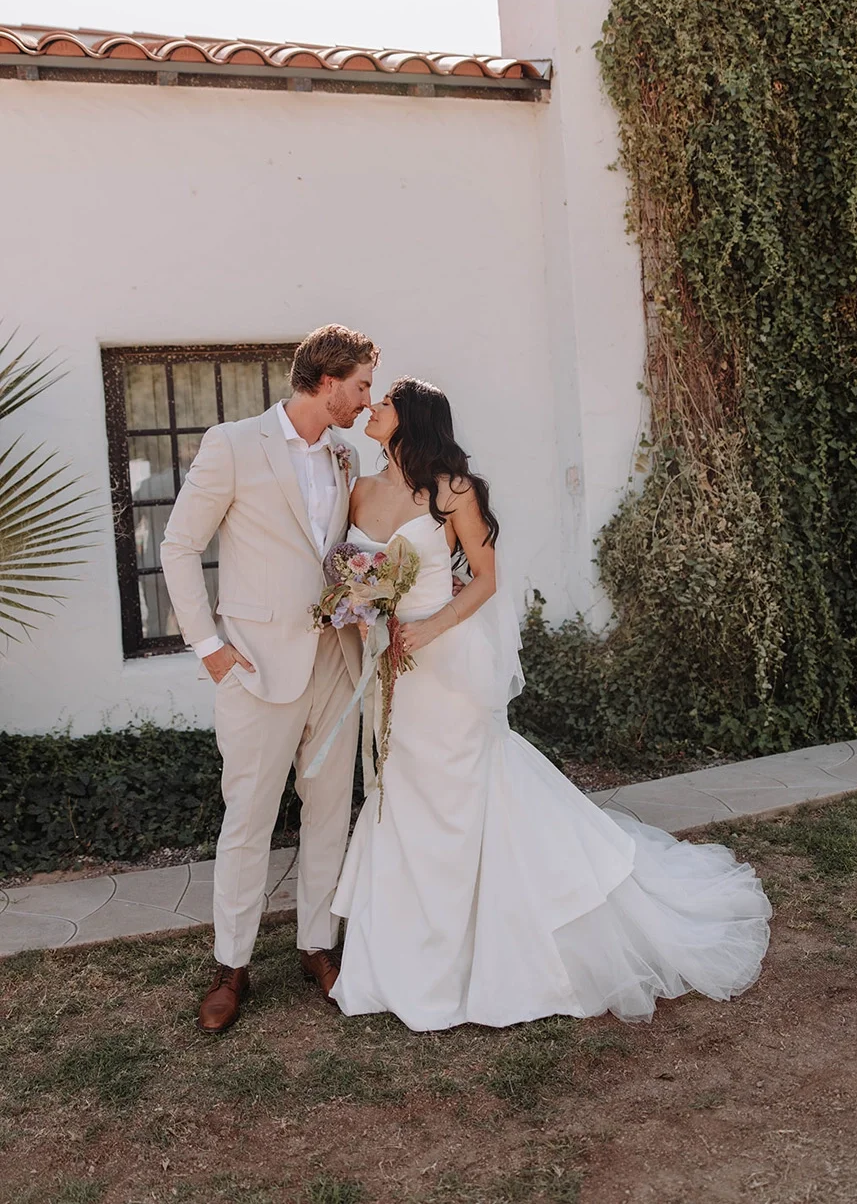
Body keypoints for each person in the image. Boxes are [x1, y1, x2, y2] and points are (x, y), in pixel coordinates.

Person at [329, 377, 772, 1031]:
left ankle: (490, 952)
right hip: (395, 675)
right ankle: (404, 959)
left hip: (445, 663)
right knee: (405, 797)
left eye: (383, 402)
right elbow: (351, 572)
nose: (370, 408)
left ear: (412, 419)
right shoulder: (361, 490)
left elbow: (485, 580)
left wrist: (426, 626)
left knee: (462, 797)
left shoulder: (453, 489)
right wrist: (366, 611)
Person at [160, 324, 377, 1033]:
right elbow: (179, 545)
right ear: (326, 380)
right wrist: (208, 647)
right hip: (253, 670)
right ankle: (232, 965)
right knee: (247, 821)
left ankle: (318, 945)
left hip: (334, 663)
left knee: (327, 815)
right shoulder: (232, 444)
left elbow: (338, 552)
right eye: (362, 385)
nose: (366, 400)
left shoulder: (346, 455)